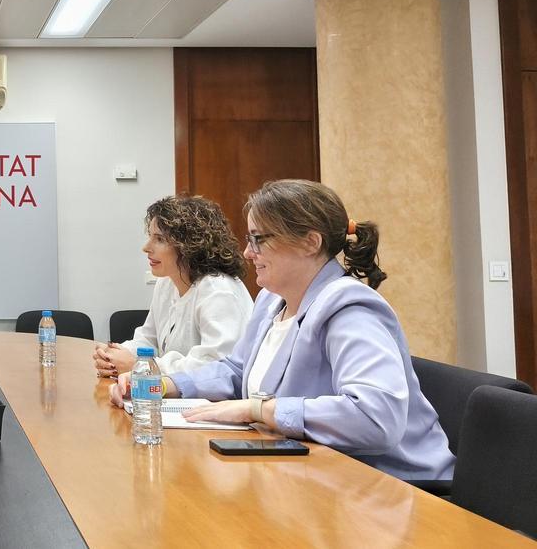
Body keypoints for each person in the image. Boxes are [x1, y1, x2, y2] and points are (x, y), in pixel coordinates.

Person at [111, 179, 455, 480]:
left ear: (310, 242)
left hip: (392, 489)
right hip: (312, 475)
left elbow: (375, 418)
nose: (247, 253)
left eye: (259, 240)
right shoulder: (271, 301)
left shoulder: (351, 309)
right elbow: (235, 371)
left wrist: (257, 410)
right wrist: (162, 384)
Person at [93, 195, 253, 376]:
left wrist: (142, 366)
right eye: (150, 237)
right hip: (173, 390)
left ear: (190, 245)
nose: (146, 247)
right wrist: (114, 355)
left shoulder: (219, 290)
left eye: (160, 239)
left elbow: (215, 367)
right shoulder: (167, 282)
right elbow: (148, 341)